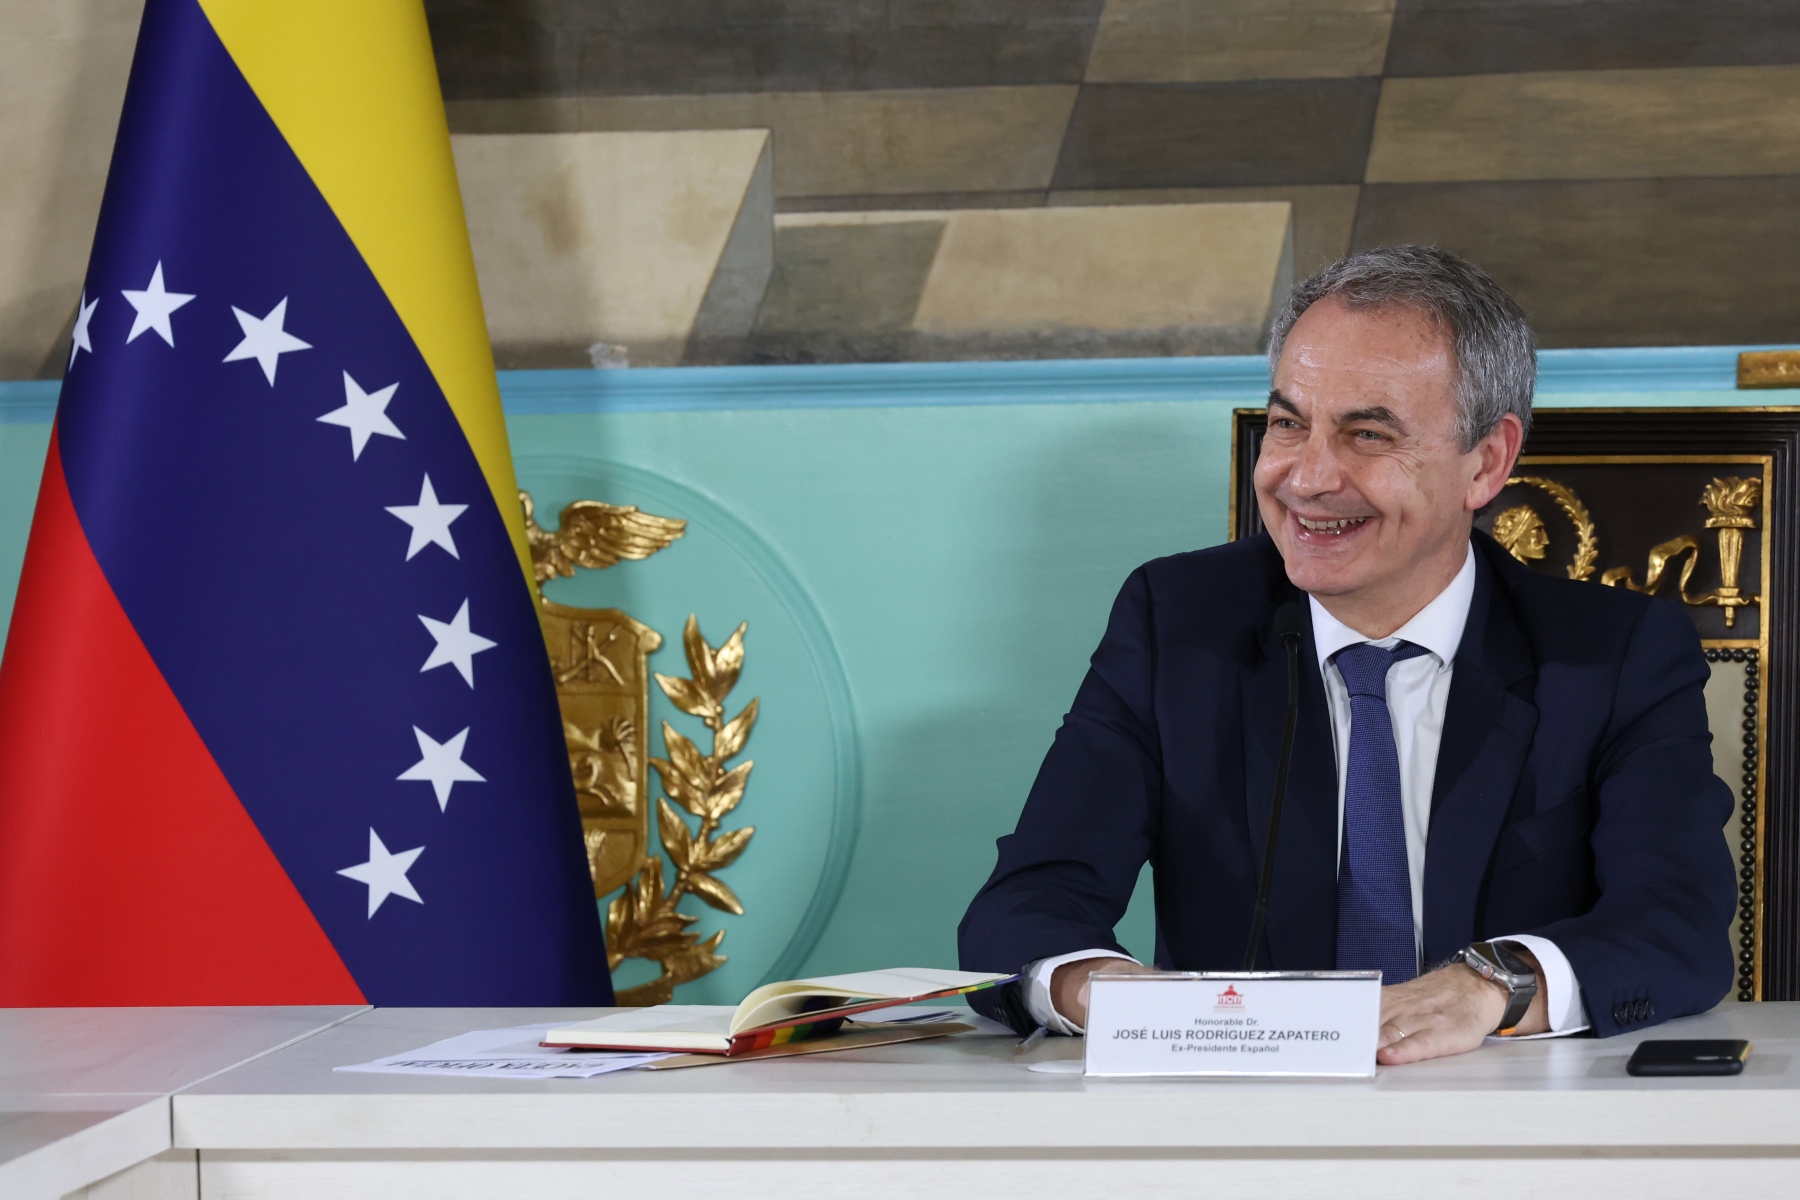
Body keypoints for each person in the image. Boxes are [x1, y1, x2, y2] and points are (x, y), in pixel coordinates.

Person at [957, 246, 1735, 1064]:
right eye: (1289, 424)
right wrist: (1106, 991)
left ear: (1486, 462)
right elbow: (1028, 903)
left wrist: (1491, 987)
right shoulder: (1177, 624)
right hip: (1240, 1115)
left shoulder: (1613, 656)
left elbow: (1676, 922)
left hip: (1506, 1110)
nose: (1309, 479)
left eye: (1368, 434)